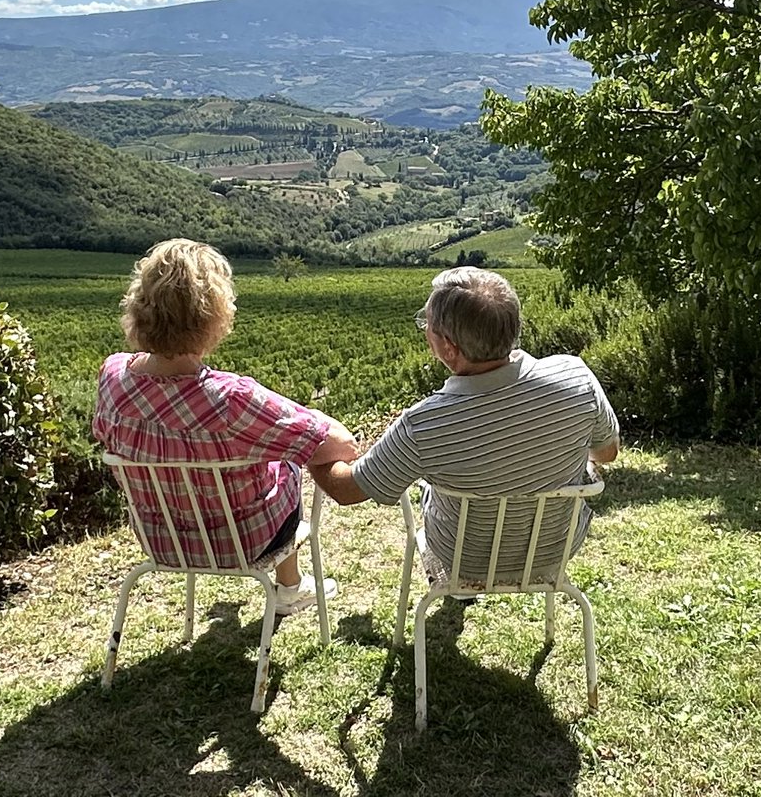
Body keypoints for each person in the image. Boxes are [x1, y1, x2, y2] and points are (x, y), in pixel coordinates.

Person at [93, 238, 358, 615]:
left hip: (161, 542)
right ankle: (291, 587)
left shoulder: (113, 376)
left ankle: (290, 587)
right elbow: (340, 445)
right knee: (286, 462)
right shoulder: (231, 399)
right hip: (244, 543)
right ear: (213, 315)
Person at [310, 266, 619, 582]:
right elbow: (607, 452)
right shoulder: (576, 378)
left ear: (448, 348)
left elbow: (347, 490)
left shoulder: (423, 425)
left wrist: (310, 441)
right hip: (554, 551)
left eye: (426, 325)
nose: (424, 331)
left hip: (465, 563)